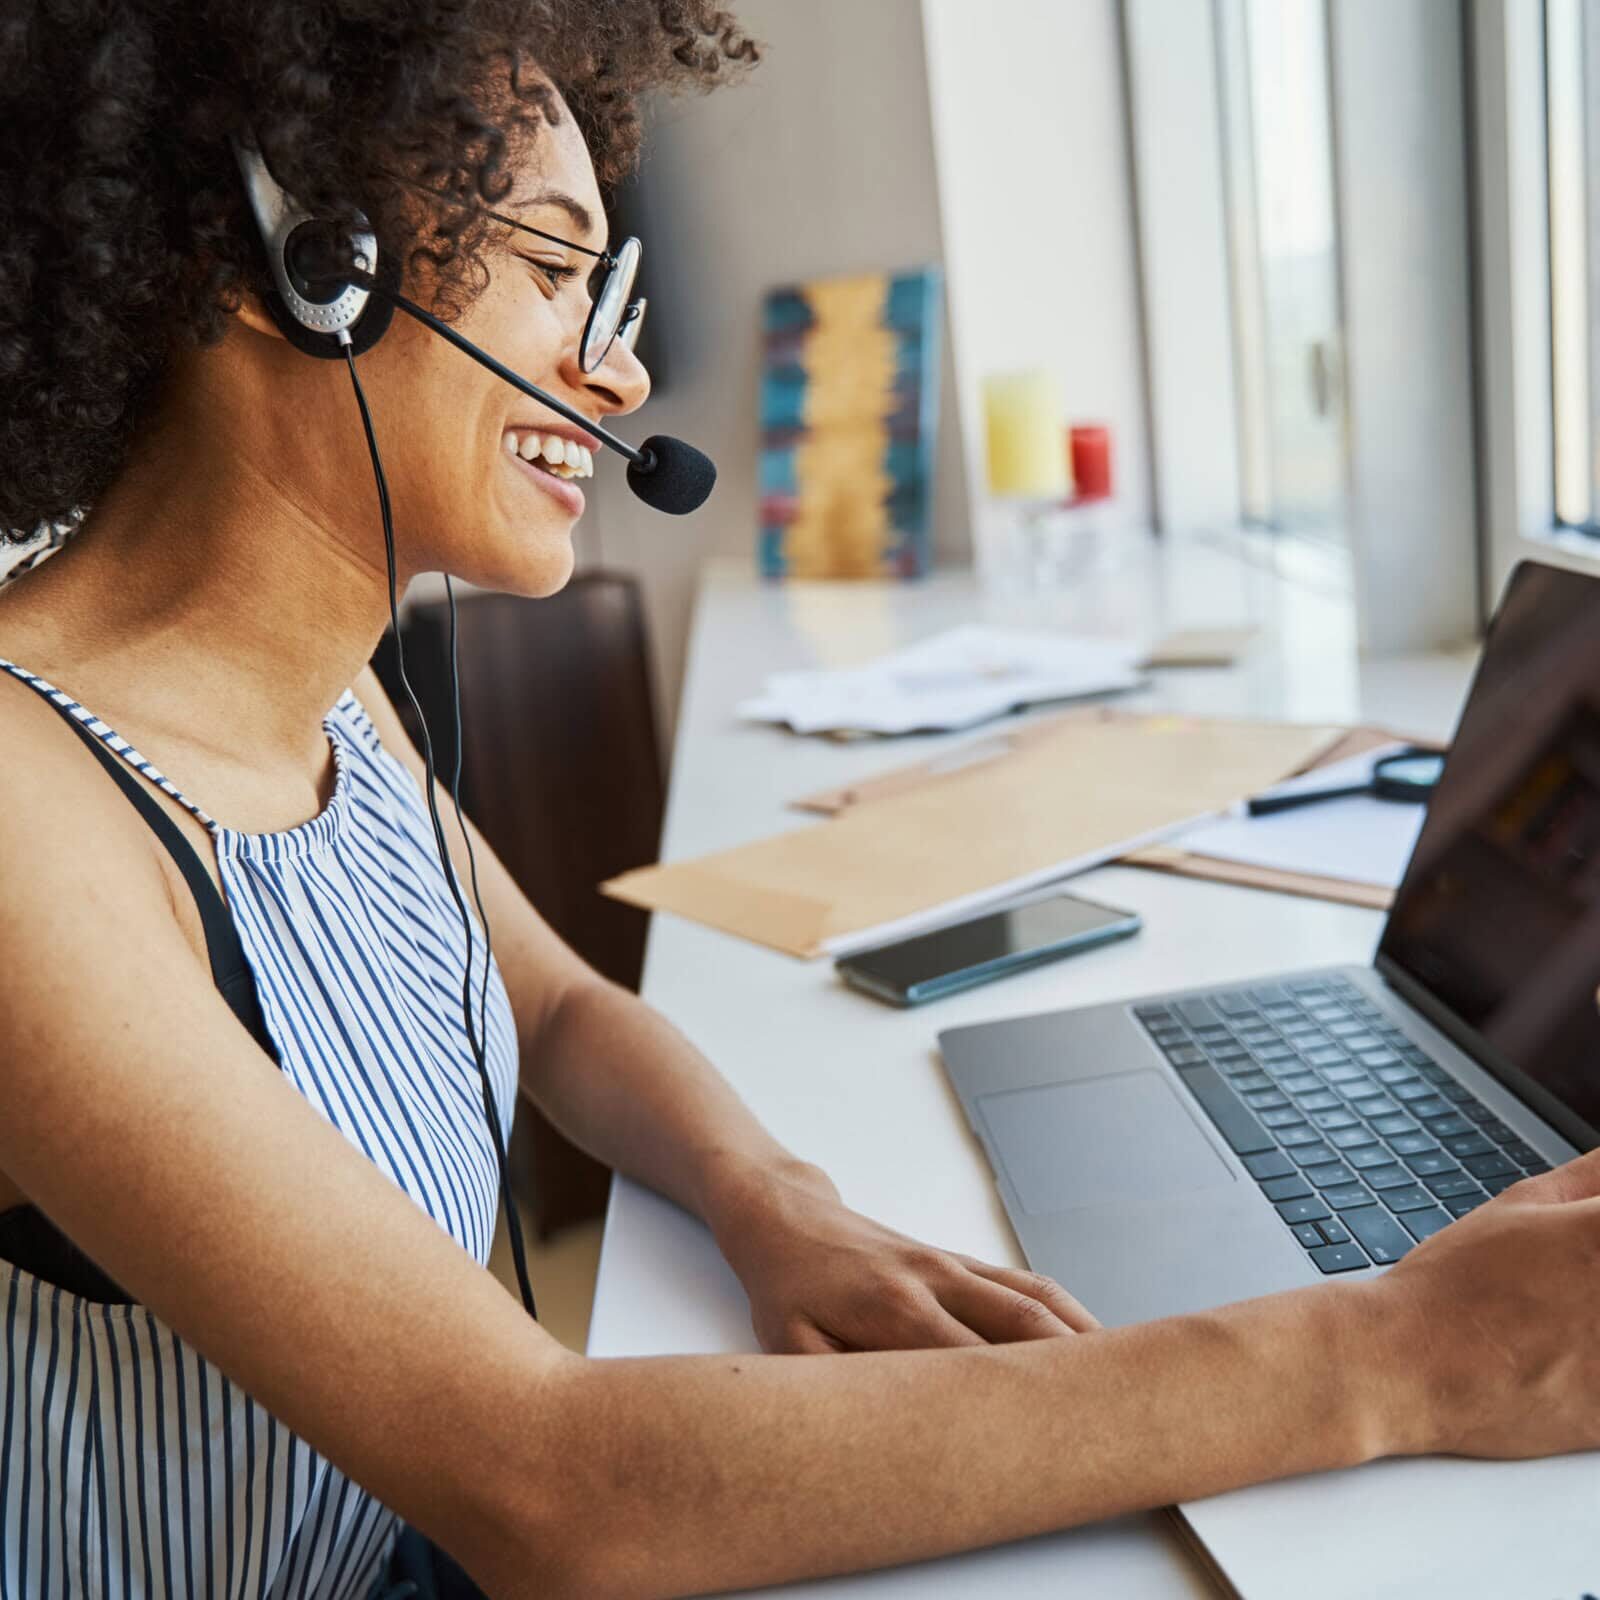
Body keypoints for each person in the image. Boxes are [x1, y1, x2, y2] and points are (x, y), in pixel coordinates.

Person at [0, 4, 1596, 1597]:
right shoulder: (31, 811)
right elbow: (547, 1489)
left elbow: (552, 1013)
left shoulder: (322, 685)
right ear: (303, 270)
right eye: (557, 274)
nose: (620, 371)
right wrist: (1398, 1354)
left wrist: (773, 1199)